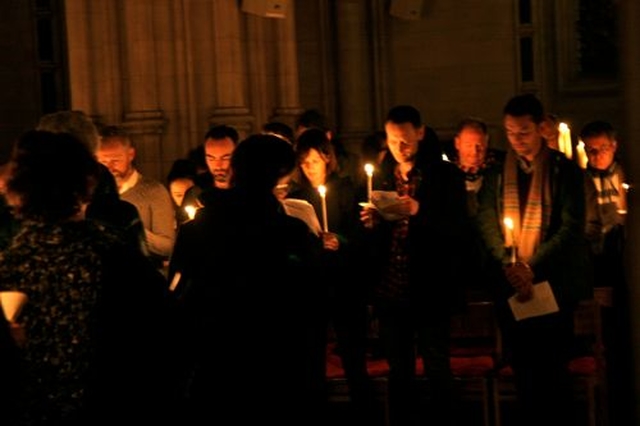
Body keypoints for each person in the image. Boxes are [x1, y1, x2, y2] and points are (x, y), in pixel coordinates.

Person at [0, 130, 174, 426]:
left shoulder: (13, 264)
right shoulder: (111, 250)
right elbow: (161, 329)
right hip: (111, 407)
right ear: (86, 184)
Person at [169, 133, 321, 425]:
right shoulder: (289, 234)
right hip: (273, 365)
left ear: (236, 170)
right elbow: (310, 305)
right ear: (278, 177)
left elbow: (177, 296)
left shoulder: (197, 230)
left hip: (217, 361)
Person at [475, 93, 592, 426]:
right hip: (513, 288)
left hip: (552, 287)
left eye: (524, 132)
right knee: (523, 369)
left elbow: (570, 229)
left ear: (542, 128)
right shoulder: (498, 172)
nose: (517, 140)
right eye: (510, 133)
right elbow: (486, 220)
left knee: (553, 371)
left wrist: (532, 266)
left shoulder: (564, 171)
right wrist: (509, 264)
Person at [360, 105, 468, 426]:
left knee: (436, 366)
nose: (400, 148)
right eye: (393, 141)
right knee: (400, 370)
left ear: (420, 133)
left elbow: (458, 229)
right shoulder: (382, 174)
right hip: (392, 288)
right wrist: (373, 220)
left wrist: (421, 210)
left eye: (405, 139)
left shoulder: (444, 175)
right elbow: (377, 237)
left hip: (430, 286)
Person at [287, 128, 376, 424]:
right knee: (312, 358)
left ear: (327, 158)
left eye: (312, 161)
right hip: (313, 287)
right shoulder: (298, 198)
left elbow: (361, 236)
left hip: (346, 286)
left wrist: (341, 241)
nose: (308, 168)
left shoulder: (348, 190)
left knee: (353, 356)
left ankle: (363, 414)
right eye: (303, 162)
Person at [580, 119, 632, 425]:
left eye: (601, 148)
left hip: (620, 258)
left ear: (614, 146)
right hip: (595, 263)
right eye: (590, 149)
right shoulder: (582, 179)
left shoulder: (624, 175)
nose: (595, 155)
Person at [97, 125, 176, 269]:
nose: (110, 168)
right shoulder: (94, 194)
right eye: (103, 162)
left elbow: (168, 247)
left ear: (131, 155)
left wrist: (135, 231)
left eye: (115, 160)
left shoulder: (154, 192)